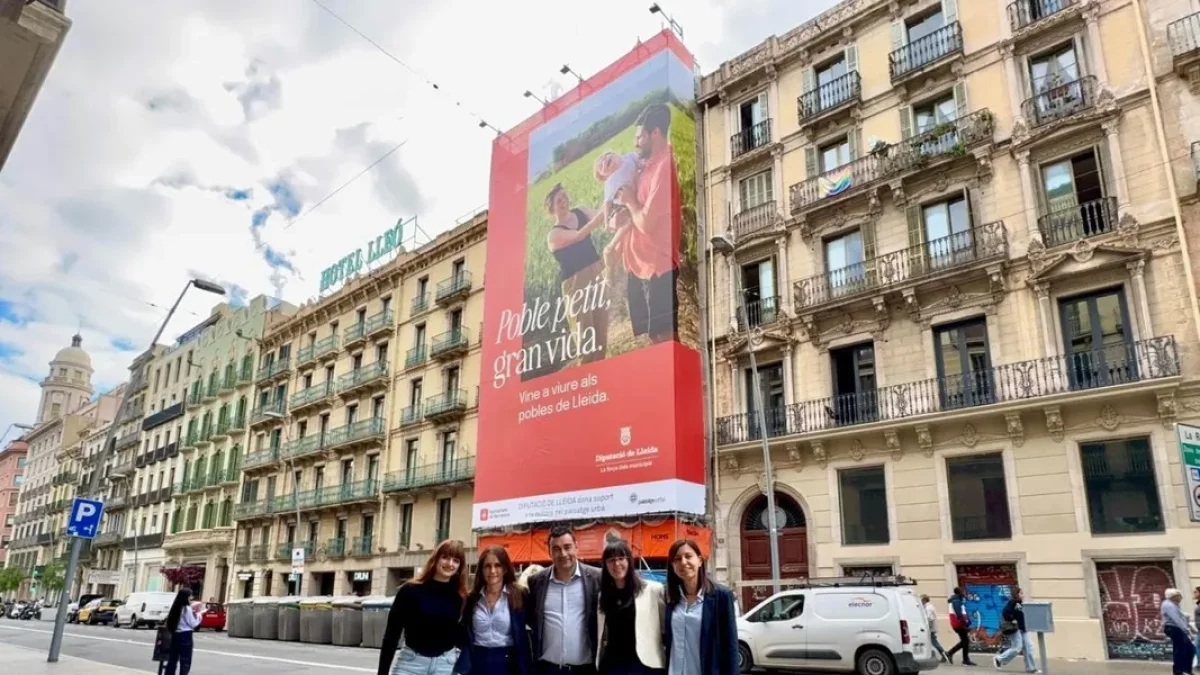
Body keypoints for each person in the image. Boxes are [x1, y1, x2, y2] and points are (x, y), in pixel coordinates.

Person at [613, 102, 681, 345]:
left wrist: (631, 203)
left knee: (664, 339)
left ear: (655, 133)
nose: (635, 142)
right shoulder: (646, 165)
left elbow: (647, 223)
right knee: (652, 339)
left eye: (640, 136)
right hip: (638, 267)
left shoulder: (664, 167)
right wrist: (624, 213)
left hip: (658, 268)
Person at [378, 539, 470, 675]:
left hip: (445, 666)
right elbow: (391, 635)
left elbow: (462, 637)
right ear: (435, 559)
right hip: (411, 664)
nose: (450, 564)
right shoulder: (410, 590)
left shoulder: (461, 597)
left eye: (456, 560)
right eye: (445, 557)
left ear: (460, 566)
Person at [544, 183, 609, 365]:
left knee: (601, 325)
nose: (563, 201)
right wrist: (602, 214)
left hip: (595, 270)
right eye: (558, 200)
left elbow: (603, 217)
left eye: (564, 196)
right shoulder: (554, 235)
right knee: (585, 333)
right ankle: (586, 379)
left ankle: (601, 374)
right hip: (575, 282)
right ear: (551, 208)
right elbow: (579, 235)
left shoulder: (580, 211)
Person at [526, 525, 602, 675]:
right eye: (556, 549)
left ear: (577, 547)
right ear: (549, 552)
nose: (563, 553)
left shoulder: (597, 578)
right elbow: (532, 620)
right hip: (549, 669)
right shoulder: (537, 581)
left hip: (586, 669)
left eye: (567, 547)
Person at [662, 539, 737, 675]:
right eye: (677, 559)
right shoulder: (670, 597)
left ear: (700, 560)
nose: (683, 562)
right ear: (672, 565)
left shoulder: (721, 596)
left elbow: (730, 647)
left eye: (688, 556)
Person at [456, 546, 532, 675]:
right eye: (487, 566)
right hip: (476, 662)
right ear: (481, 569)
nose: (492, 570)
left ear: (505, 569)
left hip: (508, 664)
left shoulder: (519, 595)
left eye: (497, 565)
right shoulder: (471, 599)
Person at [596, 538, 665, 675]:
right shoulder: (603, 595)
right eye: (611, 560)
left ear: (629, 561)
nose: (616, 564)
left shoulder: (653, 590)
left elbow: (665, 629)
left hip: (645, 664)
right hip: (613, 665)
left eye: (621, 558)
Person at [994, 587, 1040, 673]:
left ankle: (1031, 668)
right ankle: (999, 659)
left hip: (1023, 628)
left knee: (1029, 648)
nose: (1023, 595)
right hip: (1015, 628)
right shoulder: (1013, 602)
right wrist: (1012, 619)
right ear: (1017, 594)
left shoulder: (1020, 603)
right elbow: (1005, 612)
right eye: (1021, 593)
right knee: (1017, 648)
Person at [163, 589, 200, 675]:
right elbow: (193, 623)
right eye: (190, 596)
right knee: (185, 661)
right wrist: (199, 616)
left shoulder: (175, 607)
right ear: (186, 597)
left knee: (172, 660)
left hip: (175, 634)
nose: (191, 597)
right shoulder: (187, 608)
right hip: (185, 635)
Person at [1162, 588, 1195, 675]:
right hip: (1173, 628)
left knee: (1190, 649)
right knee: (1179, 650)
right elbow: (1176, 619)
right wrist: (1186, 629)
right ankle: (1178, 672)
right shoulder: (1169, 605)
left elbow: (1180, 617)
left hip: (1178, 628)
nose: (1181, 597)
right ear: (1173, 596)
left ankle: (1187, 670)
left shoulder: (1174, 604)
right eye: (1179, 595)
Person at [945, 586, 976, 666]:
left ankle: (951, 653)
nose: (965, 593)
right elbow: (959, 614)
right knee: (965, 641)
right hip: (959, 624)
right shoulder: (956, 601)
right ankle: (963, 659)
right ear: (960, 593)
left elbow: (963, 612)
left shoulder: (958, 600)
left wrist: (968, 621)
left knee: (964, 641)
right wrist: (964, 623)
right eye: (963, 592)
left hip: (959, 624)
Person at [920, 595, 948, 663]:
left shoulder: (928, 608)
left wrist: (927, 629)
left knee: (934, 642)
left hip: (930, 629)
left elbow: (930, 619)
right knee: (932, 642)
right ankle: (943, 655)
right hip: (931, 628)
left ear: (924, 600)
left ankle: (945, 655)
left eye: (921, 600)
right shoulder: (929, 607)